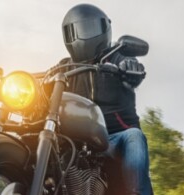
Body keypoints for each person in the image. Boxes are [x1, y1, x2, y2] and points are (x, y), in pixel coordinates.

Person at [58, 4, 152, 195]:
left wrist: (132, 68)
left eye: (89, 29)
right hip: (78, 140)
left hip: (115, 138)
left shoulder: (117, 58)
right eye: (78, 30)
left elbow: (135, 68)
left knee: (134, 137)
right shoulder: (64, 67)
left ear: (104, 29)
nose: (83, 35)